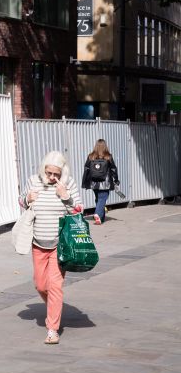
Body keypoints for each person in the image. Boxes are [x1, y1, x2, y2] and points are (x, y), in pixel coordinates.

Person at [23, 151, 81, 345]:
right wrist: (26, 199)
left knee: (55, 286)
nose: (52, 177)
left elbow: (79, 211)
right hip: (38, 243)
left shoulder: (68, 184)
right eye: (49, 173)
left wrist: (66, 197)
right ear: (43, 169)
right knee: (40, 285)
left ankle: (52, 329)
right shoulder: (33, 181)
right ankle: (54, 308)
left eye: (56, 174)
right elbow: (22, 202)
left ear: (62, 173)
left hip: (59, 244)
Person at [82, 138, 119, 225]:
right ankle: (98, 214)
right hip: (105, 183)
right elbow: (113, 169)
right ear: (105, 146)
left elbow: (86, 169)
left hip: (94, 182)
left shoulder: (90, 156)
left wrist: (86, 182)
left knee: (98, 199)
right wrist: (116, 180)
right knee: (102, 199)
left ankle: (100, 219)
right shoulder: (108, 156)